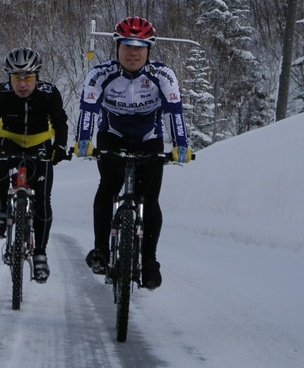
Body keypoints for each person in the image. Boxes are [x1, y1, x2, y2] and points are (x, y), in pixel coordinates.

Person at [74, 16, 192, 290]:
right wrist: (83, 140)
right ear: (117, 47)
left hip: (148, 139)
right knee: (107, 188)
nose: (133, 52)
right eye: (127, 45)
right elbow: (88, 109)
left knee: (150, 199)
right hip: (112, 137)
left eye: (140, 46)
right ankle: (101, 250)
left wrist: (180, 145)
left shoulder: (162, 75)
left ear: (149, 50)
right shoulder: (100, 74)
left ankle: (149, 261)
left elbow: (174, 111)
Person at [0, 47, 69, 283]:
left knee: (42, 200)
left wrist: (59, 147)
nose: (22, 83)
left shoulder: (49, 92)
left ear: (36, 76)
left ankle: (40, 253)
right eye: (16, 78)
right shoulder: (1, 92)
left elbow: (60, 121)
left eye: (28, 78)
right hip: (9, 139)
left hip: (39, 142)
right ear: (9, 77)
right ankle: (0, 212)